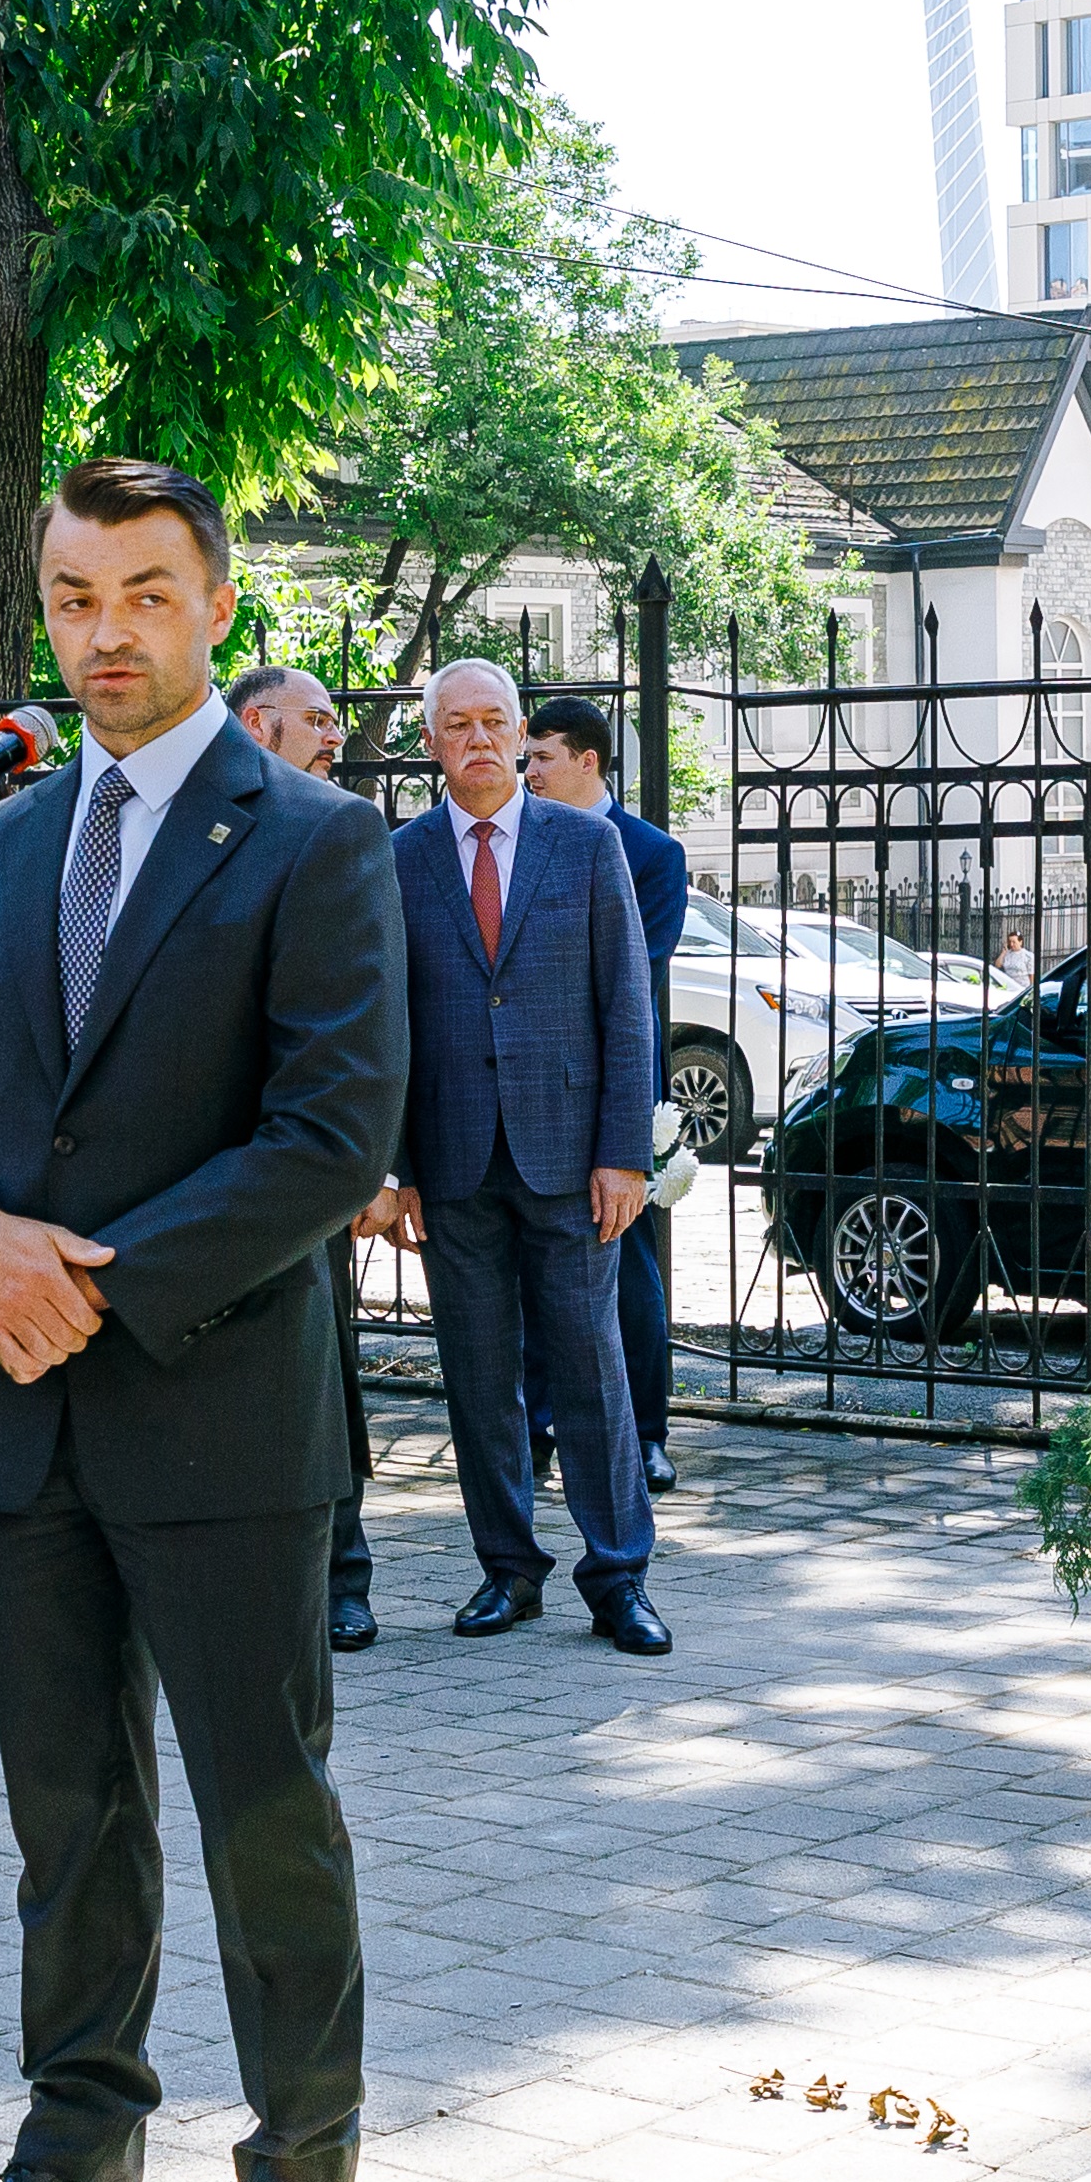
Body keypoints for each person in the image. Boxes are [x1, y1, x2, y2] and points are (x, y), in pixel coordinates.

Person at [0, 460, 406, 2182]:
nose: (104, 632)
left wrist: (74, 1278)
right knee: (66, 1821)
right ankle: (75, 2178)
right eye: (75, 594)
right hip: (16, 1432)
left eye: (145, 595)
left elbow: (330, 1138)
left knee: (266, 1823)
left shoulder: (315, 839)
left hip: (217, 1420)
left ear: (214, 606)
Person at [375, 659, 661, 1654]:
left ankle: (618, 1574)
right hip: (453, 1163)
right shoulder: (399, 856)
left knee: (590, 1368)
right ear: (431, 743)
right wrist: (397, 1165)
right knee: (478, 1376)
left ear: (520, 732)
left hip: (572, 1158)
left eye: (497, 721)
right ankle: (507, 1570)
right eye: (459, 725)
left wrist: (625, 1151)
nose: (481, 739)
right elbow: (386, 1023)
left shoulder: (586, 846)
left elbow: (627, 1006)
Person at [228, 666, 383, 1653]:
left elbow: (376, 1021)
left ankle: (343, 1576)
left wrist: (380, 1167)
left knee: (324, 1376)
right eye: (319, 719)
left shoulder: (335, 834)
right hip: (189, 1162)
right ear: (260, 724)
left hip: (302, 1164)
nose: (335, 736)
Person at [517, 692, 689, 1532]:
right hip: (529, 1092)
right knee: (535, 1268)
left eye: (542, 756)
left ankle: (647, 1433)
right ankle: (538, 1426)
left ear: (587, 760)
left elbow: (633, 964)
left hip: (615, 1087)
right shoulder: (522, 837)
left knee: (628, 1270)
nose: (529, 772)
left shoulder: (652, 854)